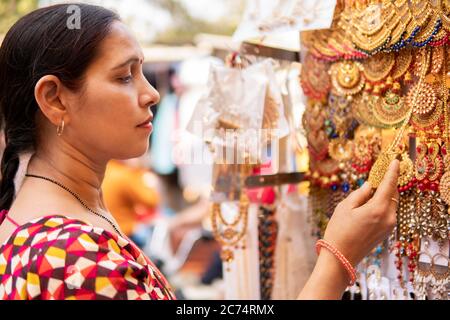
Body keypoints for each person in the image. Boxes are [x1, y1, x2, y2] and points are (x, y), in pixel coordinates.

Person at [0, 3, 399, 300]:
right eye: (124, 76)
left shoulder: (56, 219)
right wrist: (337, 259)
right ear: (54, 99)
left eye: (141, 72)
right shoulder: (72, 257)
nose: (152, 93)